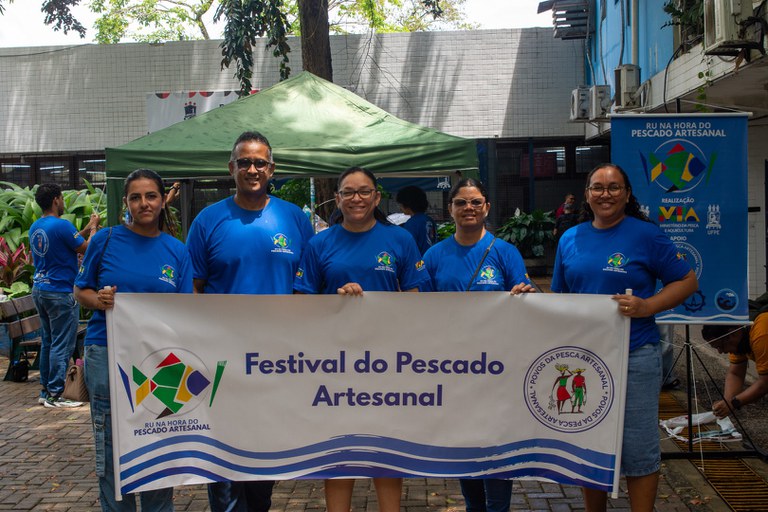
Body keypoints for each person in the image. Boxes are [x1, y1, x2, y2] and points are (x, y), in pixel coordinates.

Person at [551, 163, 697, 512]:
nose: (605, 194)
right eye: (597, 187)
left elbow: (687, 281)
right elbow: (559, 298)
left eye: (614, 187)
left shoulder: (647, 235)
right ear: (587, 194)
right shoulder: (570, 238)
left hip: (634, 355)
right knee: (588, 443)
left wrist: (648, 306)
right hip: (583, 359)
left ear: (627, 194)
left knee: (637, 446)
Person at [186, 131, 314, 512]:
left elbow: (310, 283)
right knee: (222, 453)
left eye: (260, 162)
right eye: (244, 162)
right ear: (232, 168)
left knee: (264, 451)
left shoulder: (295, 219)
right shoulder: (208, 221)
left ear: (272, 169)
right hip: (222, 360)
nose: (252, 169)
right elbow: (192, 288)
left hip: (277, 358)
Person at [294, 166, 429, 512]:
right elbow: (301, 305)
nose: (357, 198)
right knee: (339, 451)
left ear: (376, 197)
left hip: (386, 363)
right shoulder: (319, 243)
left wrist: (378, 304)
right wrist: (337, 302)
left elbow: (418, 301)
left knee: (385, 450)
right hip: (333, 364)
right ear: (337, 198)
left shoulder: (400, 240)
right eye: (349, 192)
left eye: (364, 191)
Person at [74, 168, 193, 511]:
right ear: (125, 202)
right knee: (112, 444)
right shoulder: (105, 240)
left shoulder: (176, 251)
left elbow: (186, 311)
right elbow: (80, 290)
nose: (144, 203)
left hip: (162, 361)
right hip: (107, 352)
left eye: (151, 196)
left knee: (159, 445)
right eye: (135, 197)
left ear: (162, 200)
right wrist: (100, 300)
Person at [421, 177, 533, 512]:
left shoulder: (505, 252)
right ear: (450, 209)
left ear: (485, 207)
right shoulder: (434, 255)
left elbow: (527, 304)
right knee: (466, 443)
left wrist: (524, 296)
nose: (468, 208)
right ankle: (474, 508)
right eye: (460, 202)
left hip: (498, 367)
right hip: (453, 367)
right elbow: (419, 313)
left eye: (475, 202)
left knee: (498, 443)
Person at [29, 183, 100, 408]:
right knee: (62, 344)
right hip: (60, 292)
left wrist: (86, 227)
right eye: (61, 198)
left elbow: (67, 242)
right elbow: (88, 249)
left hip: (40, 290)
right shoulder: (62, 225)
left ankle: (45, 390)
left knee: (49, 342)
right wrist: (95, 228)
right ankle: (56, 393)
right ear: (55, 200)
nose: (63, 202)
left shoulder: (37, 226)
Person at [702, 319, 768, 418]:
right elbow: (735, 373)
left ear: (732, 334)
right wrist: (727, 402)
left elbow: (765, 383)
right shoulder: (739, 337)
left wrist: (733, 403)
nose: (720, 352)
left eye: (720, 346)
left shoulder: (761, 334)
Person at [396, 185, 436, 255]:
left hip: (419, 262)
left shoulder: (412, 223)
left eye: (400, 204)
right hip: (432, 259)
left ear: (407, 204)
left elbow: (408, 248)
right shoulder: (429, 220)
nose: (400, 208)